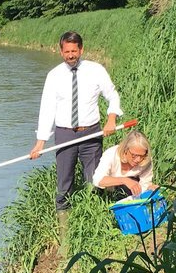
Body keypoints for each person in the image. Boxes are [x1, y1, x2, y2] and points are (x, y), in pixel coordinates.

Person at [29, 31, 122, 259]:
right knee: (64, 184)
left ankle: (97, 227)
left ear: (81, 49)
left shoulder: (96, 70)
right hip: (64, 135)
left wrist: (111, 119)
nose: (70, 55)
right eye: (66, 51)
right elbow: (47, 109)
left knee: (95, 180)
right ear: (60, 51)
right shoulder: (53, 76)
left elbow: (113, 96)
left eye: (74, 51)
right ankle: (65, 240)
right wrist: (40, 143)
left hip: (91, 133)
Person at [92, 130, 158, 197]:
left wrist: (149, 188)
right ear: (125, 150)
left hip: (129, 193)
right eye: (134, 155)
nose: (138, 159)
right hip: (106, 192)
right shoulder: (111, 154)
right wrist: (125, 180)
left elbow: (145, 183)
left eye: (142, 155)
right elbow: (97, 179)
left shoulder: (146, 160)